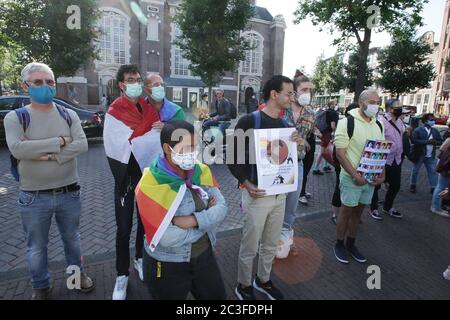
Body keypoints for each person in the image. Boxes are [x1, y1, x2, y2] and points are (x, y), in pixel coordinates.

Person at [4, 62, 93, 300]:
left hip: (69, 192)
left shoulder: (69, 114)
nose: (45, 86)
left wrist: (44, 153)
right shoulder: (16, 117)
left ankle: (76, 278)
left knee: (72, 241)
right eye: (38, 82)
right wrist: (61, 141)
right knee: (36, 248)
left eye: (50, 81)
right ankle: (41, 286)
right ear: (26, 86)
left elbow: (82, 144)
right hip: (34, 196)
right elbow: (17, 149)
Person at [136, 120, 228, 299]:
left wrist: (192, 221)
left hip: (204, 257)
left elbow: (222, 207)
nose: (191, 154)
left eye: (194, 147)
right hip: (168, 263)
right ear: (166, 148)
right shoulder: (150, 184)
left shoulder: (200, 171)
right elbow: (166, 237)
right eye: (185, 148)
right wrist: (206, 223)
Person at [228, 75, 298, 300]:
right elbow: (233, 157)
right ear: (273, 94)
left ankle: (263, 280)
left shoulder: (286, 125)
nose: (292, 97)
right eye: (288, 93)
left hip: (279, 195)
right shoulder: (249, 121)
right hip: (257, 194)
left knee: (270, 243)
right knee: (250, 244)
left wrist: (296, 144)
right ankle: (243, 285)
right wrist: (246, 184)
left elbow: (289, 159)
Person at [103, 64, 160, 300]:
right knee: (124, 227)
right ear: (122, 85)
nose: (135, 82)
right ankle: (121, 276)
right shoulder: (114, 112)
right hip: (126, 178)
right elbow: (116, 144)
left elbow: (155, 136)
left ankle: (139, 259)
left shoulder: (148, 108)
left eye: (138, 78)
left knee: (144, 225)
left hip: (145, 175)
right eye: (131, 79)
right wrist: (147, 130)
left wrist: (161, 128)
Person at [334, 89, 385, 264]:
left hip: (370, 179)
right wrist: (355, 175)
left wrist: (382, 175)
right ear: (361, 102)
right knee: (346, 211)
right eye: (371, 102)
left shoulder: (378, 124)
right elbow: (340, 154)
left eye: (377, 102)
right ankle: (339, 244)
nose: (375, 106)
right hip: (351, 178)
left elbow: (381, 150)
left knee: (358, 213)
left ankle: (351, 244)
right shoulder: (347, 122)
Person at [368, 99, 405, 220]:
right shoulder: (381, 122)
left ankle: (387, 207)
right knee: (376, 186)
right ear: (389, 109)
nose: (400, 109)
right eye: (397, 107)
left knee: (395, 185)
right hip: (383, 159)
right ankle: (373, 208)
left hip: (397, 159)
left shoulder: (400, 122)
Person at [331, 103, 360, 225]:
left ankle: (348, 214)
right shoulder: (345, 124)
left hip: (354, 166)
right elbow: (337, 150)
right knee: (339, 188)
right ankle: (336, 214)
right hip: (342, 166)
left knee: (352, 191)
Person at [293, 76, 316, 206]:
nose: (307, 93)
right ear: (294, 91)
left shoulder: (310, 113)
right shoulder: (282, 109)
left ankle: (287, 226)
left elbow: (309, 135)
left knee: (292, 205)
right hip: (278, 162)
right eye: (304, 89)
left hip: (299, 161)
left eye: (309, 90)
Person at [409, 113, 443, 194]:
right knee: (415, 171)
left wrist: (435, 142)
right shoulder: (418, 130)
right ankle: (412, 185)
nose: (433, 121)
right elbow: (414, 141)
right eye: (431, 120)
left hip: (430, 155)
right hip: (420, 154)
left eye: (433, 120)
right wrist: (427, 142)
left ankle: (433, 187)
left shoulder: (434, 131)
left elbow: (440, 141)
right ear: (425, 121)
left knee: (432, 172)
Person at [313, 99, 339, 175]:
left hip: (323, 132)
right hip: (327, 134)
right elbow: (333, 126)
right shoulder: (333, 113)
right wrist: (335, 132)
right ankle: (315, 168)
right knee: (322, 151)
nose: (336, 105)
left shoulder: (326, 111)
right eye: (335, 104)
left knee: (326, 150)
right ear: (332, 105)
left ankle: (325, 166)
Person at [430, 137, 450, 217]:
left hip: (445, 166)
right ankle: (435, 207)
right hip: (446, 168)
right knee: (441, 186)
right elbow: (442, 149)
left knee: (441, 186)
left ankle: (437, 206)